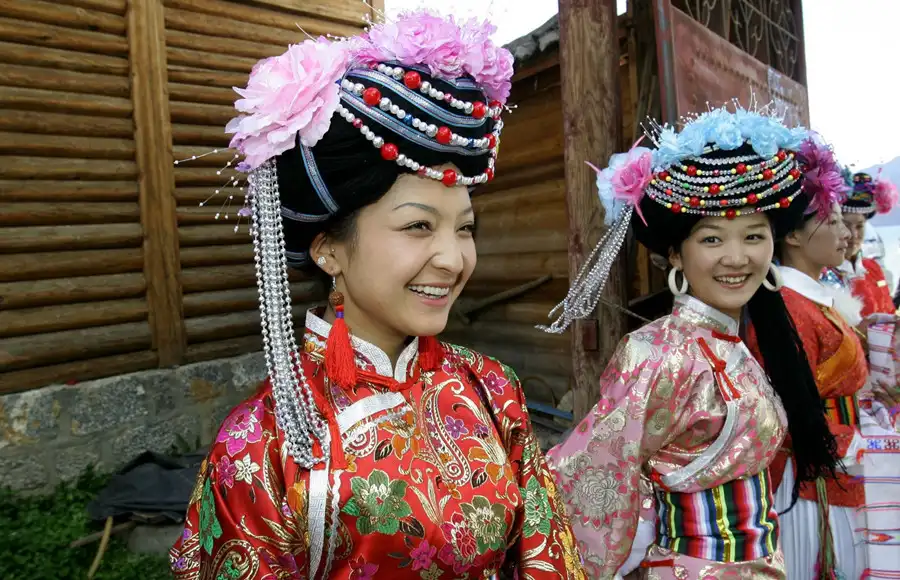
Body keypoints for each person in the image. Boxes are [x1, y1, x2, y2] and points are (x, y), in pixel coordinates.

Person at [168, 11, 584, 579]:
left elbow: (547, 559)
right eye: (419, 226)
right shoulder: (259, 444)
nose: (454, 258)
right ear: (328, 251)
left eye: (464, 228)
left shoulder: (493, 390)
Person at [540, 105, 839, 579]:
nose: (737, 257)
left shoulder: (733, 346)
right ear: (676, 253)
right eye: (713, 240)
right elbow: (594, 469)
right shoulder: (659, 352)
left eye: (753, 236)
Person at [746, 140, 882, 579]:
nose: (847, 235)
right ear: (792, 235)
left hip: (837, 454)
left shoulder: (812, 300)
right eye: (835, 221)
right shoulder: (789, 306)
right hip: (809, 473)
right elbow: (782, 408)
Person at [828, 171, 899, 317]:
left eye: (860, 226)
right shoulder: (825, 274)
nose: (853, 235)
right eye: (846, 225)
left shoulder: (873, 268)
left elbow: (889, 311)